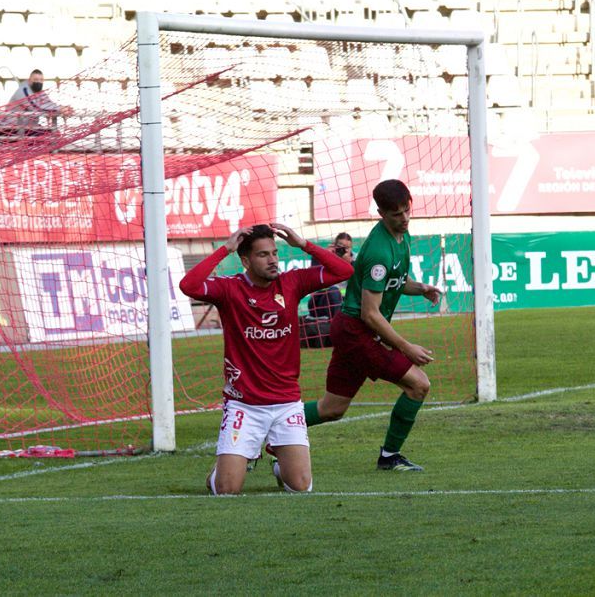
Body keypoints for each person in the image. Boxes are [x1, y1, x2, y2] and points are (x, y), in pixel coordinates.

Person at [179, 223, 353, 495]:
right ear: (246, 260)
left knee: (301, 487)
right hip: (244, 405)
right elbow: (188, 284)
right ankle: (222, 470)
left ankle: (278, 464)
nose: (273, 260)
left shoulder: (291, 282)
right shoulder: (229, 289)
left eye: (274, 253)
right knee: (226, 490)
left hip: (286, 403)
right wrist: (225, 248)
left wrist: (303, 244)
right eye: (263, 255)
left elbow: (345, 271)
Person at [304, 179, 443, 472]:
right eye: (396, 214)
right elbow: (370, 313)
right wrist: (405, 346)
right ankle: (390, 456)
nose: (404, 218)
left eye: (407, 211)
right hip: (357, 331)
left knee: (332, 408)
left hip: (351, 329)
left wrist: (421, 288)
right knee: (419, 384)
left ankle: (266, 428)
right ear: (381, 212)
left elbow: (396, 281)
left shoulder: (400, 238)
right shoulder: (379, 250)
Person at [3, 69, 70, 135]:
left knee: (55, 133)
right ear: (29, 80)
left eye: (41, 80)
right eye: (35, 80)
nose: (38, 82)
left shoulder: (39, 92)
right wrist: (59, 109)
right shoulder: (24, 90)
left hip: (27, 129)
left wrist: (64, 108)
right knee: (49, 136)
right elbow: (35, 107)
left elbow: (48, 103)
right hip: (9, 129)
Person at [306, 232, 353, 320]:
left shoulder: (354, 261)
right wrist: (323, 256)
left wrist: (349, 264)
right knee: (333, 291)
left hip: (345, 301)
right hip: (322, 299)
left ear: (351, 249)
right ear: (334, 246)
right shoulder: (324, 257)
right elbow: (313, 279)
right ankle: (336, 324)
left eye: (346, 248)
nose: (342, 250)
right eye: (340, 246)